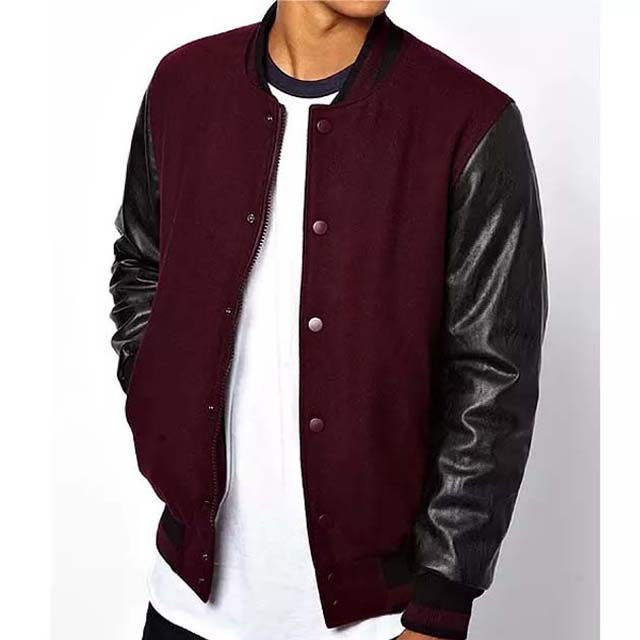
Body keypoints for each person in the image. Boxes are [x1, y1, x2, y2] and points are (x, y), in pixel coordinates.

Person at [109, 1, 548, 639]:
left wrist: (442, 603)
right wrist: (160, 398)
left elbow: (493, 379)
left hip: (381, 620)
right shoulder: (183, 85)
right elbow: (142, 262)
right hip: (183, 604)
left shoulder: (470, 120)